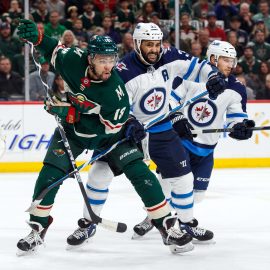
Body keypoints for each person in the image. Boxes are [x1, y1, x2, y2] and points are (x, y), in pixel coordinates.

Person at [16, 19, 200, 256]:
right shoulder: (72, 59)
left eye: (112, 60)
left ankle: (166, 225)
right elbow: (52, 49)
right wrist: (38, 38)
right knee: (50, 174)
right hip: (72, 134)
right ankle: (37, 228)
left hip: (109, 136)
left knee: (139, 171)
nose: (108, 66)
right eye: (102, 60)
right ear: (90, 58)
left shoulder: (116, 92)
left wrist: (69, 111)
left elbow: (108, 129)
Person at [66, 23, 227, 247]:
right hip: (128, 133)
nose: (154, 49)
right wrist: (129, 122)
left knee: (183, 178)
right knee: (99, 174)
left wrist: (213, 76)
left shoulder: (169, 56)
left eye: (156, 44)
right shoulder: (122, 71)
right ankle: (88, 222)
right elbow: (116, 106)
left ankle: (187, 223)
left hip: (161, 129)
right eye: (148, 45)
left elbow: (198, 66)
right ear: (136, 44)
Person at [133, 40, 256, 237]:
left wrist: (240, 128)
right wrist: (177, 116)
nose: (231, 65)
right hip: (181, 142)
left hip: (206, 150)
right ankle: (157, 218)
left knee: (196, 195)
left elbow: (236, 117)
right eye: (226, 60)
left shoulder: (236, 88)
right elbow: (171, 99)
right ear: (213, 58)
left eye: (232, 61)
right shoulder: (192, 78)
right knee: (170, 184)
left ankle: (175, 219)